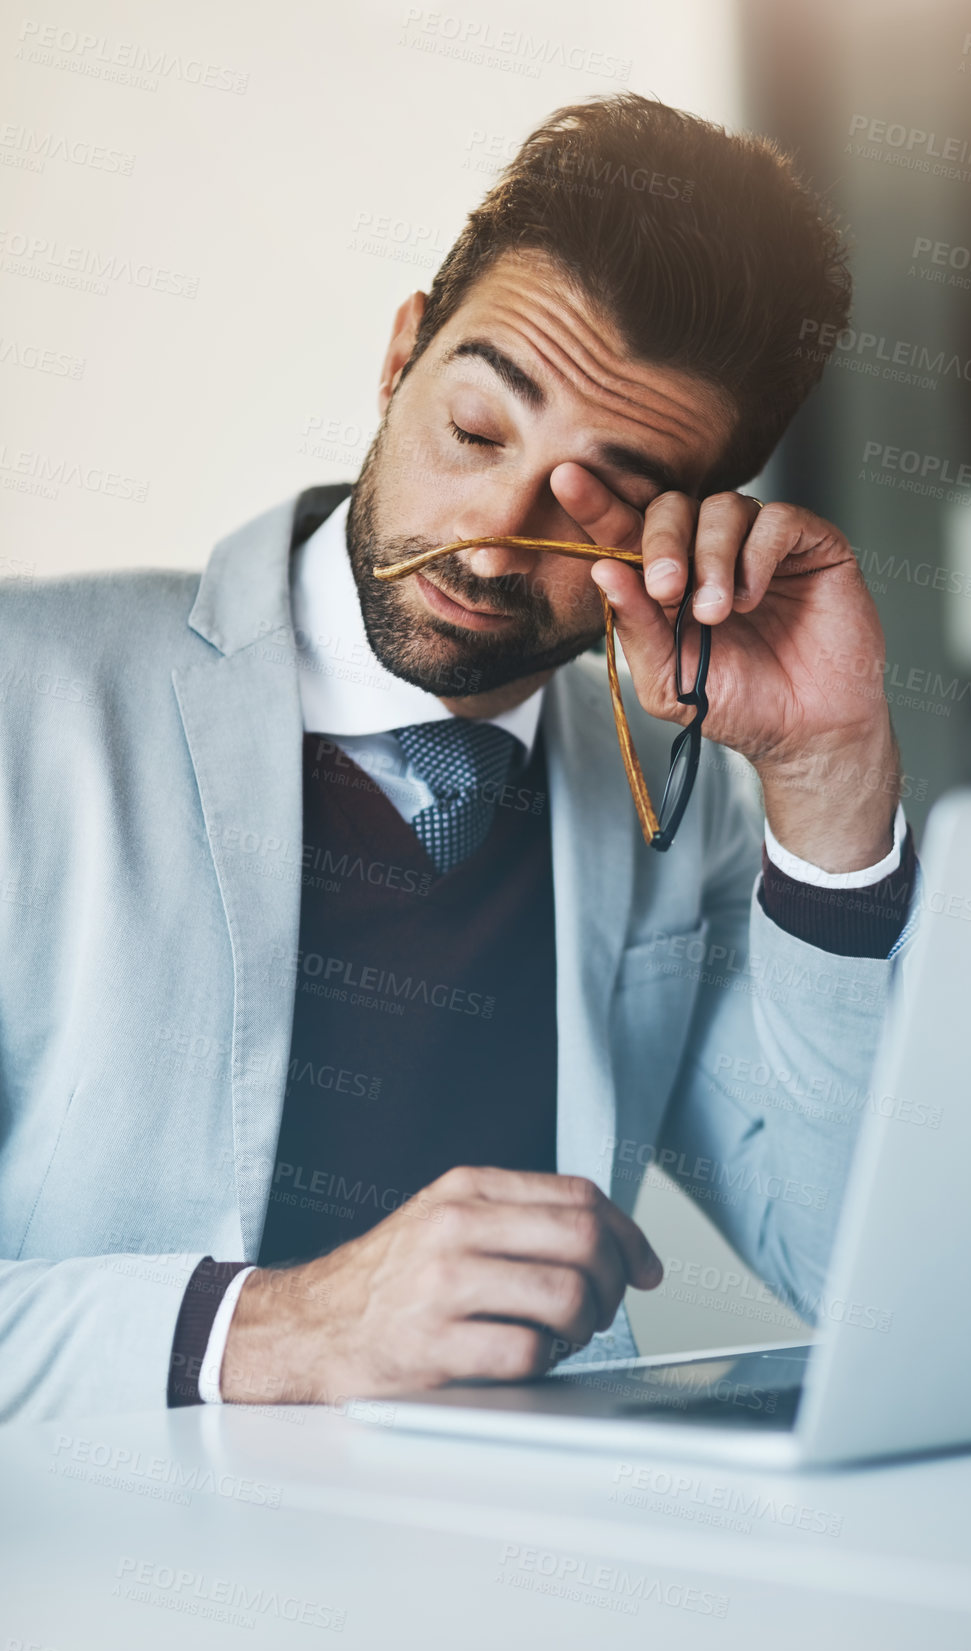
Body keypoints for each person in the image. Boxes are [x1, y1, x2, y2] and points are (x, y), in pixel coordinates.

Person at [0, 94, 916, 1421]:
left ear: (693, 526)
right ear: (400, 356)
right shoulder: (28, 694)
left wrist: (829, 778)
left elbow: (852, 1274)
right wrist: (272, 1331)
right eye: (479, 434)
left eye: (594, 498)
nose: (492, 543)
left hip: (520, 1598)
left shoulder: (686, 799)